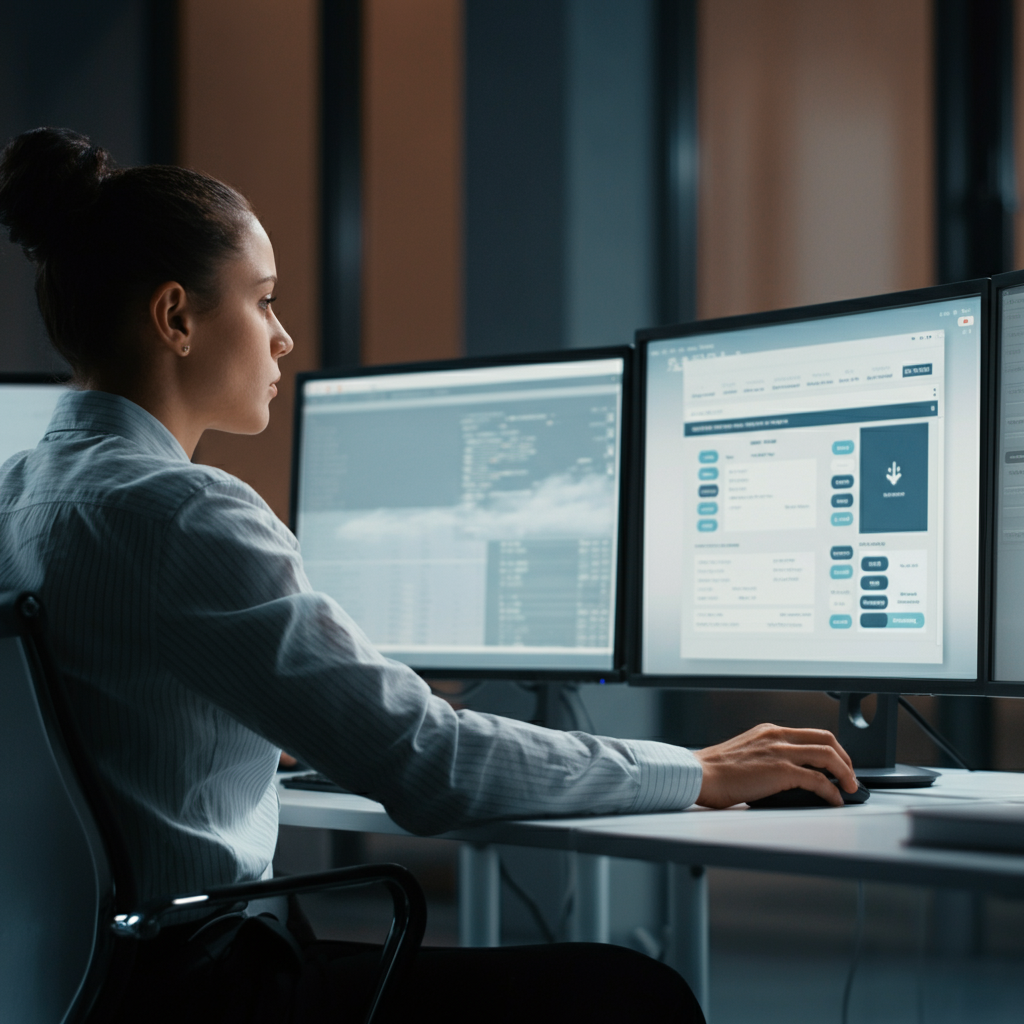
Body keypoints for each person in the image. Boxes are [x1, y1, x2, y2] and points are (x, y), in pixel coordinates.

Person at [0, 128, 858, 1024]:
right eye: (263, 300)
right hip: (209, 991)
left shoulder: (15, 499)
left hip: (74, 984)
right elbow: (429, 762)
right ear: (176, 317)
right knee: (634, 996)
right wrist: (694, 770)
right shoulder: (183, 511)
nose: (285, 337)